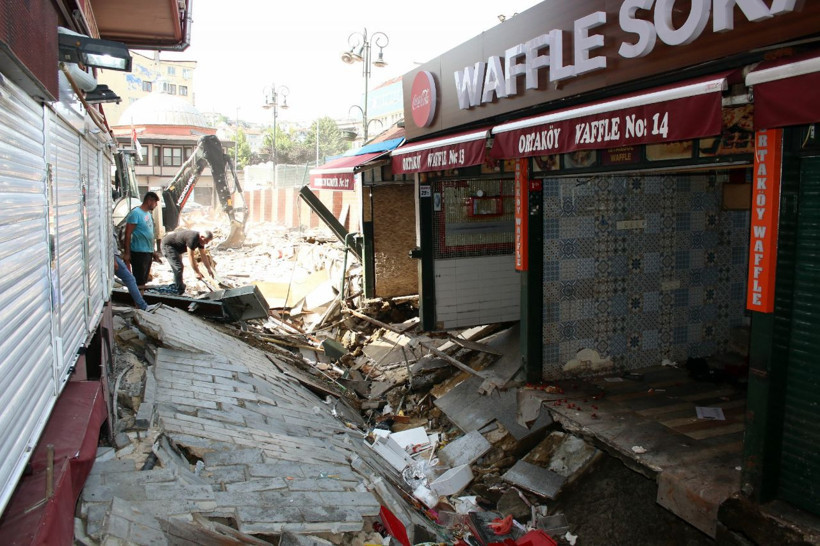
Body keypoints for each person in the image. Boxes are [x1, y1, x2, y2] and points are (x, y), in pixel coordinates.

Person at [123, 191, 160, 292]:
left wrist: (153, 251)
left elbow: (150, 234)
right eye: (155, 203)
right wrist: (127, 253)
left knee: (143, 280)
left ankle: (140, 304)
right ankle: (137, 304)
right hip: (138, 252)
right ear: (149, 201)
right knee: (138, 281)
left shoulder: (147, 214)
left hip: (147, 252)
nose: (156, 205)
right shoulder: (135, 214)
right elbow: (127, 234)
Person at [161, 229, 215, 295]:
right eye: (206, 241)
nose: (206, 243)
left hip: (177, 248)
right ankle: (178, 290)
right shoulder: (193, 238)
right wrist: (196, 272)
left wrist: (209, 269)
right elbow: (190, 256)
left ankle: (177, 285)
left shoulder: (201, 241)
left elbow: (203, 255)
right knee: (178, 267)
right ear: (202, 237)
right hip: (168, 246)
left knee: (179, 267)